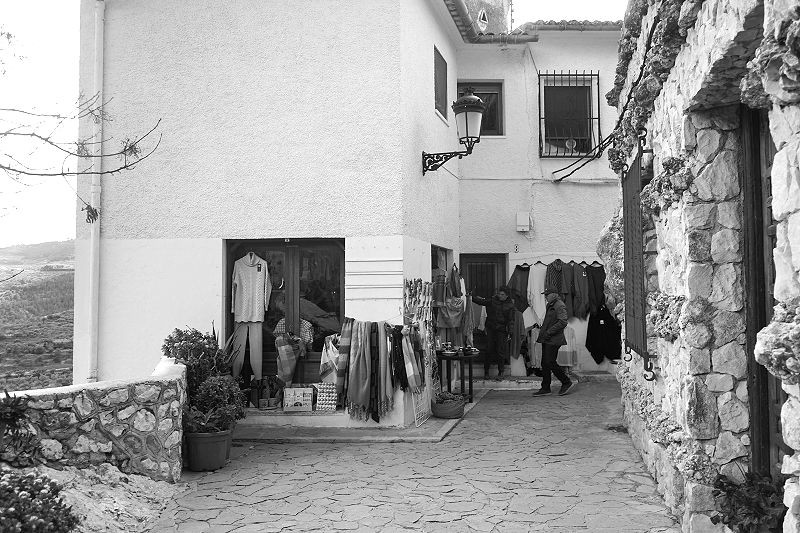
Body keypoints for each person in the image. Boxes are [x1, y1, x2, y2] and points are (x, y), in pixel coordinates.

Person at [533, 288, 574, 396]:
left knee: (550, 362)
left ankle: (566, 382)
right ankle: (545, 388)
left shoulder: (559, 305)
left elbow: (563, 322)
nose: (545, 297)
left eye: (547, 295)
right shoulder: (551, 305)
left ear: (554, 294)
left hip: (554, 339)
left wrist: (549, 332)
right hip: (547, 338)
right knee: (545, 363)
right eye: (545, 295)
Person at [472, 286, 515, 379]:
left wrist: (510, 332)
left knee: (501, 351)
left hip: (502, 329)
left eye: (502, 294)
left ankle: (501, 372)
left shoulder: (510, 305)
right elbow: (481, 302)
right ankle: (486, 372)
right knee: (488, 349)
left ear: (507, 296)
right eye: (499, 294)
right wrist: (471, 297)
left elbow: (511, 320)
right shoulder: (493, 300)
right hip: (491, 328)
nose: (500, 296)